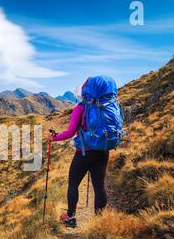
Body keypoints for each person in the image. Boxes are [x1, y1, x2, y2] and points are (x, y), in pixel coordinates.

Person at [48, 76, 121, 228]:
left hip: (84, 153)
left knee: (73, 184)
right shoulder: (111, 105)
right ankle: (100, 222)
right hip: (103, 151)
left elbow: (69, 133)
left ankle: (70, 217)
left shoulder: (80, 108)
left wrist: (53, 138)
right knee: (99, 186)